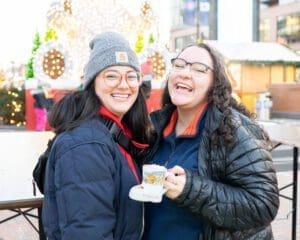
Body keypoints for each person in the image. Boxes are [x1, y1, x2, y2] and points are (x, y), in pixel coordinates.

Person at [143, 43, 279, 240]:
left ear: (214, 84)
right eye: (179, 65)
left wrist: (190, 190)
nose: (185, 73)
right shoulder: (155, 127)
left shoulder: (233, 129)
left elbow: (263, 204)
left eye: (199, 69)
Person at [42, 31, 153, 240]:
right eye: (111, 75)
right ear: (92, 82)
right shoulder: (86, 143)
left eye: (131, 76)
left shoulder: (116, 132)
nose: (123, 84)